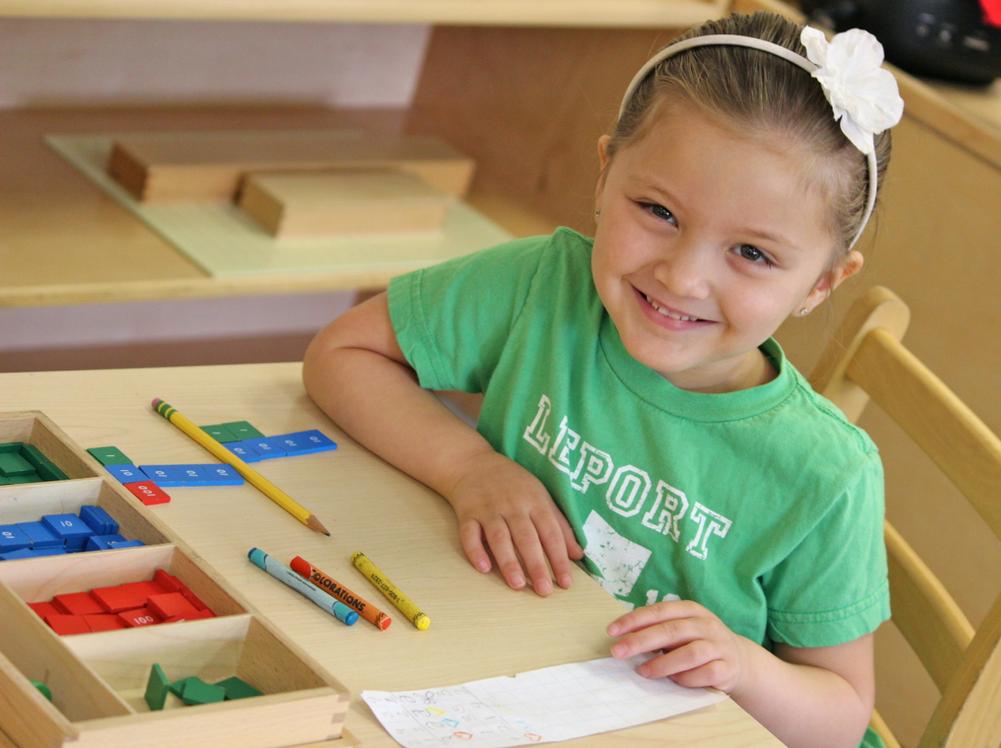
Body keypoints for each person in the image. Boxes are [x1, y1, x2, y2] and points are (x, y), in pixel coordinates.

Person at [303, 11, 903, 747]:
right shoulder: (543, 286)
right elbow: (342, 355)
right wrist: (469, 468)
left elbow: (841, 717)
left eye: (751, 253)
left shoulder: (828, 472)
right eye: (657, 211)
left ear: (821, 284)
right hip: (509, 681)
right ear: (603, 174)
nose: (682, 277)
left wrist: (742, 666)